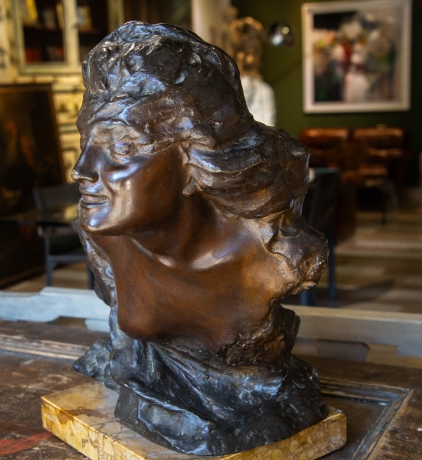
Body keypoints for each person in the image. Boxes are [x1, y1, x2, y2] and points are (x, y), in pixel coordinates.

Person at [73, 21, 328, 456]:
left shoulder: (275, 256)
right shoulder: (104, 235)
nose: (82, 168)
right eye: (86, 142)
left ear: (194, 166)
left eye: (121, 149)